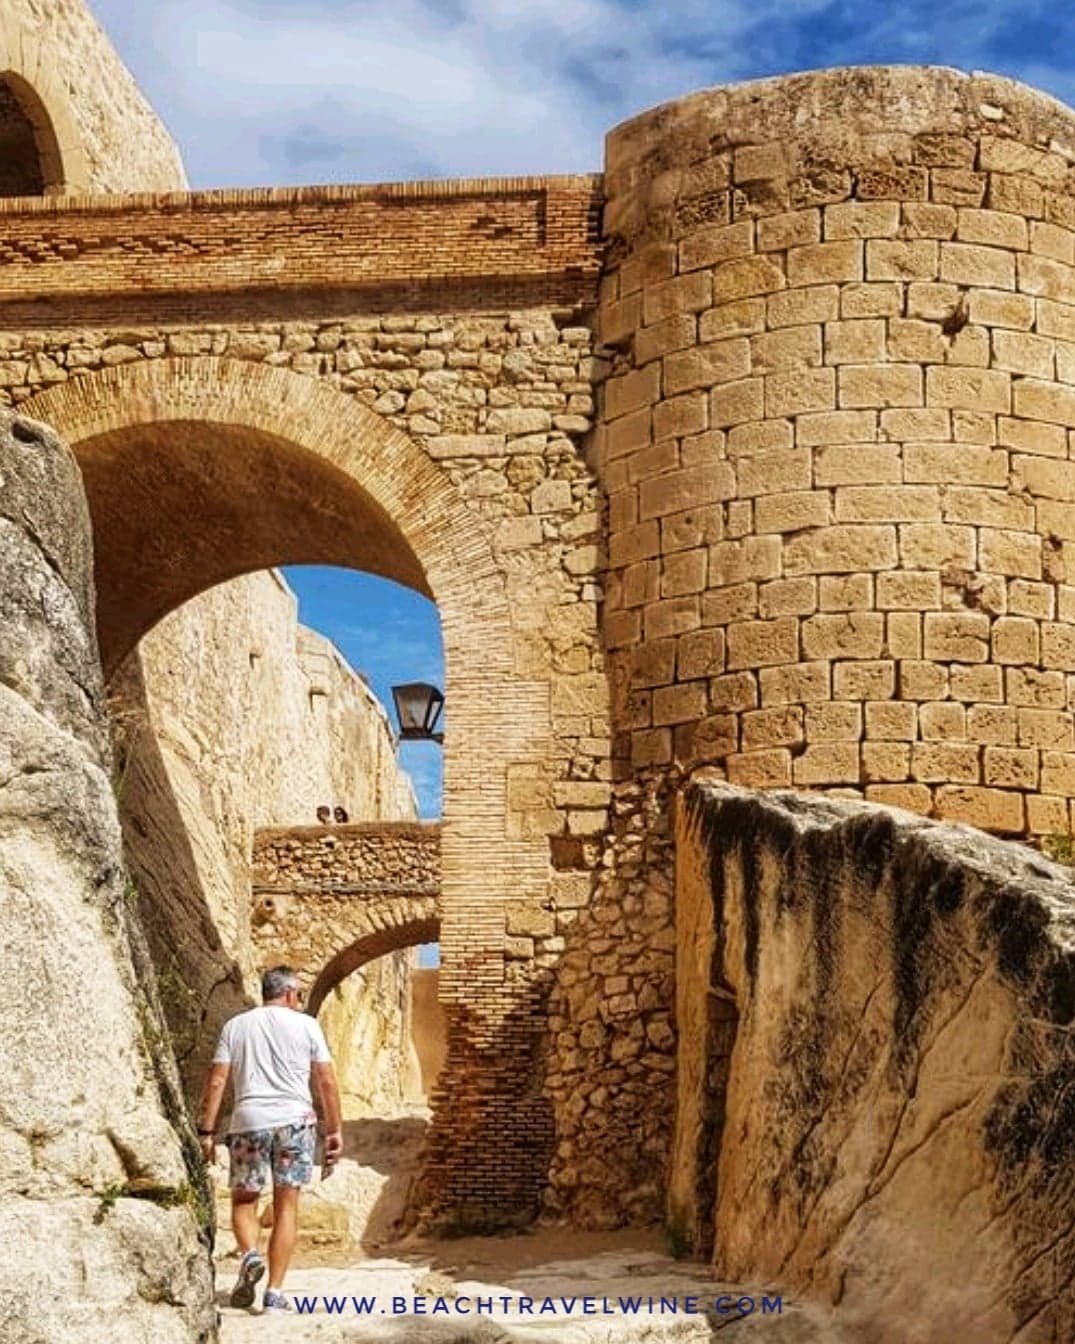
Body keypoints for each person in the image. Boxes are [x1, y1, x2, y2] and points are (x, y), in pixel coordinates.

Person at [196, 965, 343, 1313]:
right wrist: (334, 1129)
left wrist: (206, 1131)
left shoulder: (236, 1026)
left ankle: (249, 1255)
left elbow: (217, 1081)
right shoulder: (307, 1026)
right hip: (296, 1123)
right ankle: (275, 1292)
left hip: (248, 1122)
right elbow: (326, 1081)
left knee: (244, 1201)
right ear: (291, 994)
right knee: (286, 1206)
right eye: (300, 996)